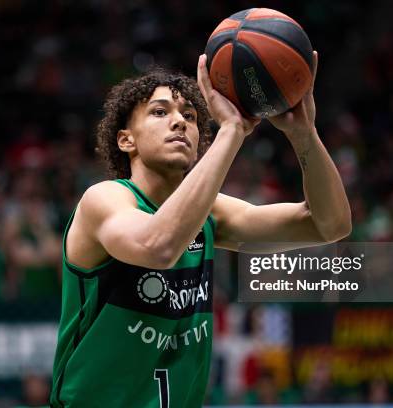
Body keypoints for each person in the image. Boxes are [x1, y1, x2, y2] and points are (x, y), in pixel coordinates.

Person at [50, 51, 351, 407]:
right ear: (125, 140)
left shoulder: (210, 213)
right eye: (160, 112)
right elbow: (158, 246)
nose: (179, 122)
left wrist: (305, 134)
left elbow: (329, 224)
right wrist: (232, 130)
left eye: (190, 116)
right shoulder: (104, 200)